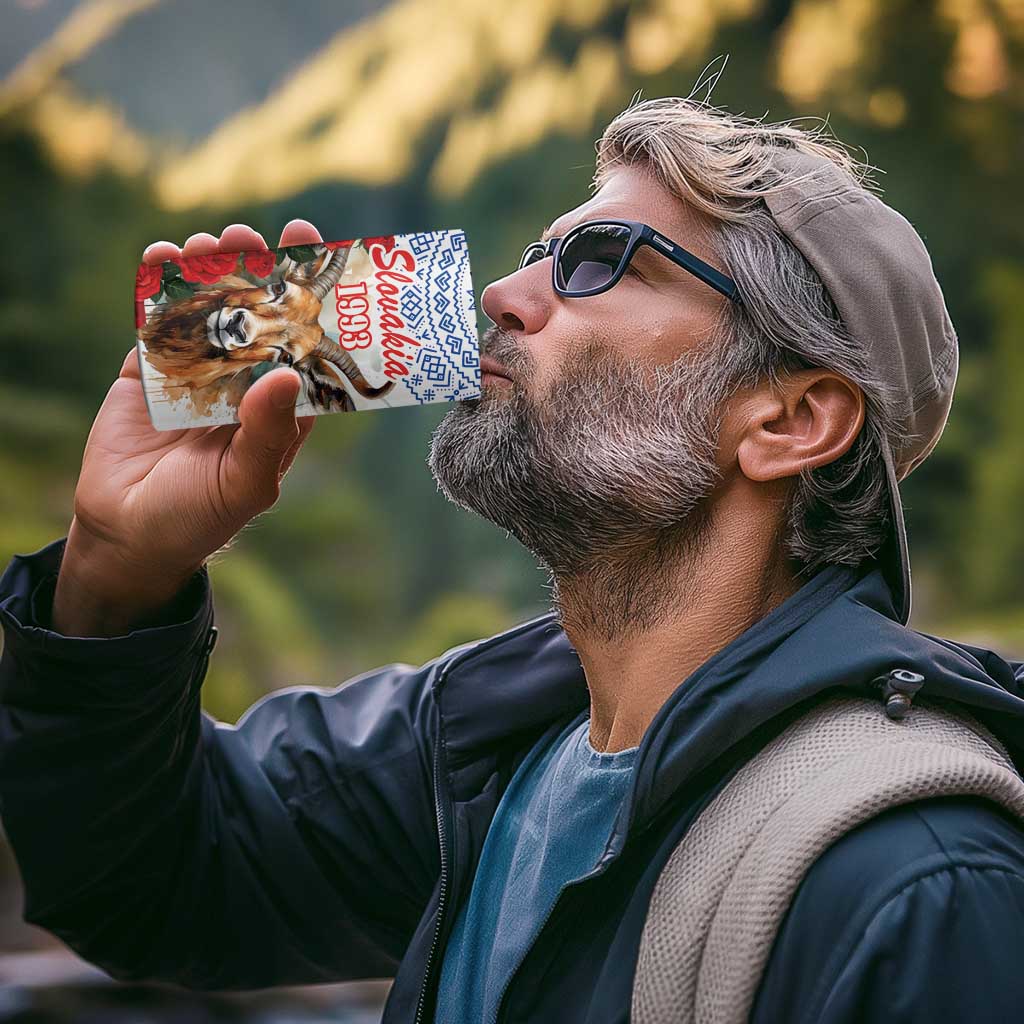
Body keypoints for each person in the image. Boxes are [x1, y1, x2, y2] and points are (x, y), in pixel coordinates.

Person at [2, 95, 1024, 1024]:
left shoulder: (918, 886)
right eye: (541, 252)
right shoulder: (483, 746)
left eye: (601, 261)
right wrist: (116, 574)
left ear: (790, 421)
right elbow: (150, 880)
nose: (502, 291)